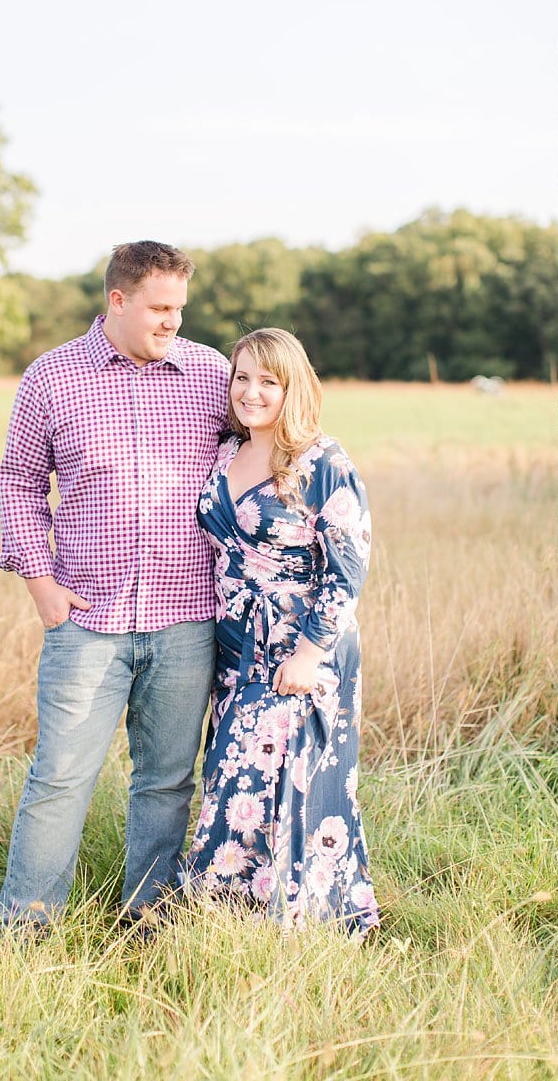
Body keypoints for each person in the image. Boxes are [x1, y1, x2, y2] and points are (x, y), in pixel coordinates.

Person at [0, 240, 229, 929]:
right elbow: (18, 480)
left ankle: (148, 918)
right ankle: (26, 926)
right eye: (159, 308)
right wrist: (38, 580)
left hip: (189, 618)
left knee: (166, 783)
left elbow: (263, 455)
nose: (172, 323)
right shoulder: (51, 377)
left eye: (180, 309)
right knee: (60, 778)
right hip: (87, 618)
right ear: (117, 301)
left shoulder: (212, 374)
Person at [181, 327, 377, 932]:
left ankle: (305, 918)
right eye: (242, 377)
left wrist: (311, 652)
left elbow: (349, 565)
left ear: (293, 387)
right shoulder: (224, 453)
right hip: (235, 644)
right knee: (234, 774)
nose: (252, 391)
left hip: (300, 646)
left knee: (293, 780)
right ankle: (231, 908)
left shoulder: (322, 461)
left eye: (269, 380)